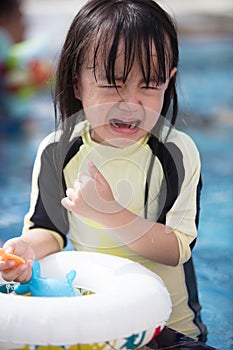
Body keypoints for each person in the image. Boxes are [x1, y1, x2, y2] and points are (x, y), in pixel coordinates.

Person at [0, 0, 207, 343]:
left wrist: (109, 214)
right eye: (113, 83)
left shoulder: (176, 152)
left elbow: (177, 248)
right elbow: (48, 231)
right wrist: (24, 250)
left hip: (166, 327)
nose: (130, 102)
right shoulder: (58, 150)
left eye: (150, 84)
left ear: (168, 81)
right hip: (98, 322)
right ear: (77, 84)